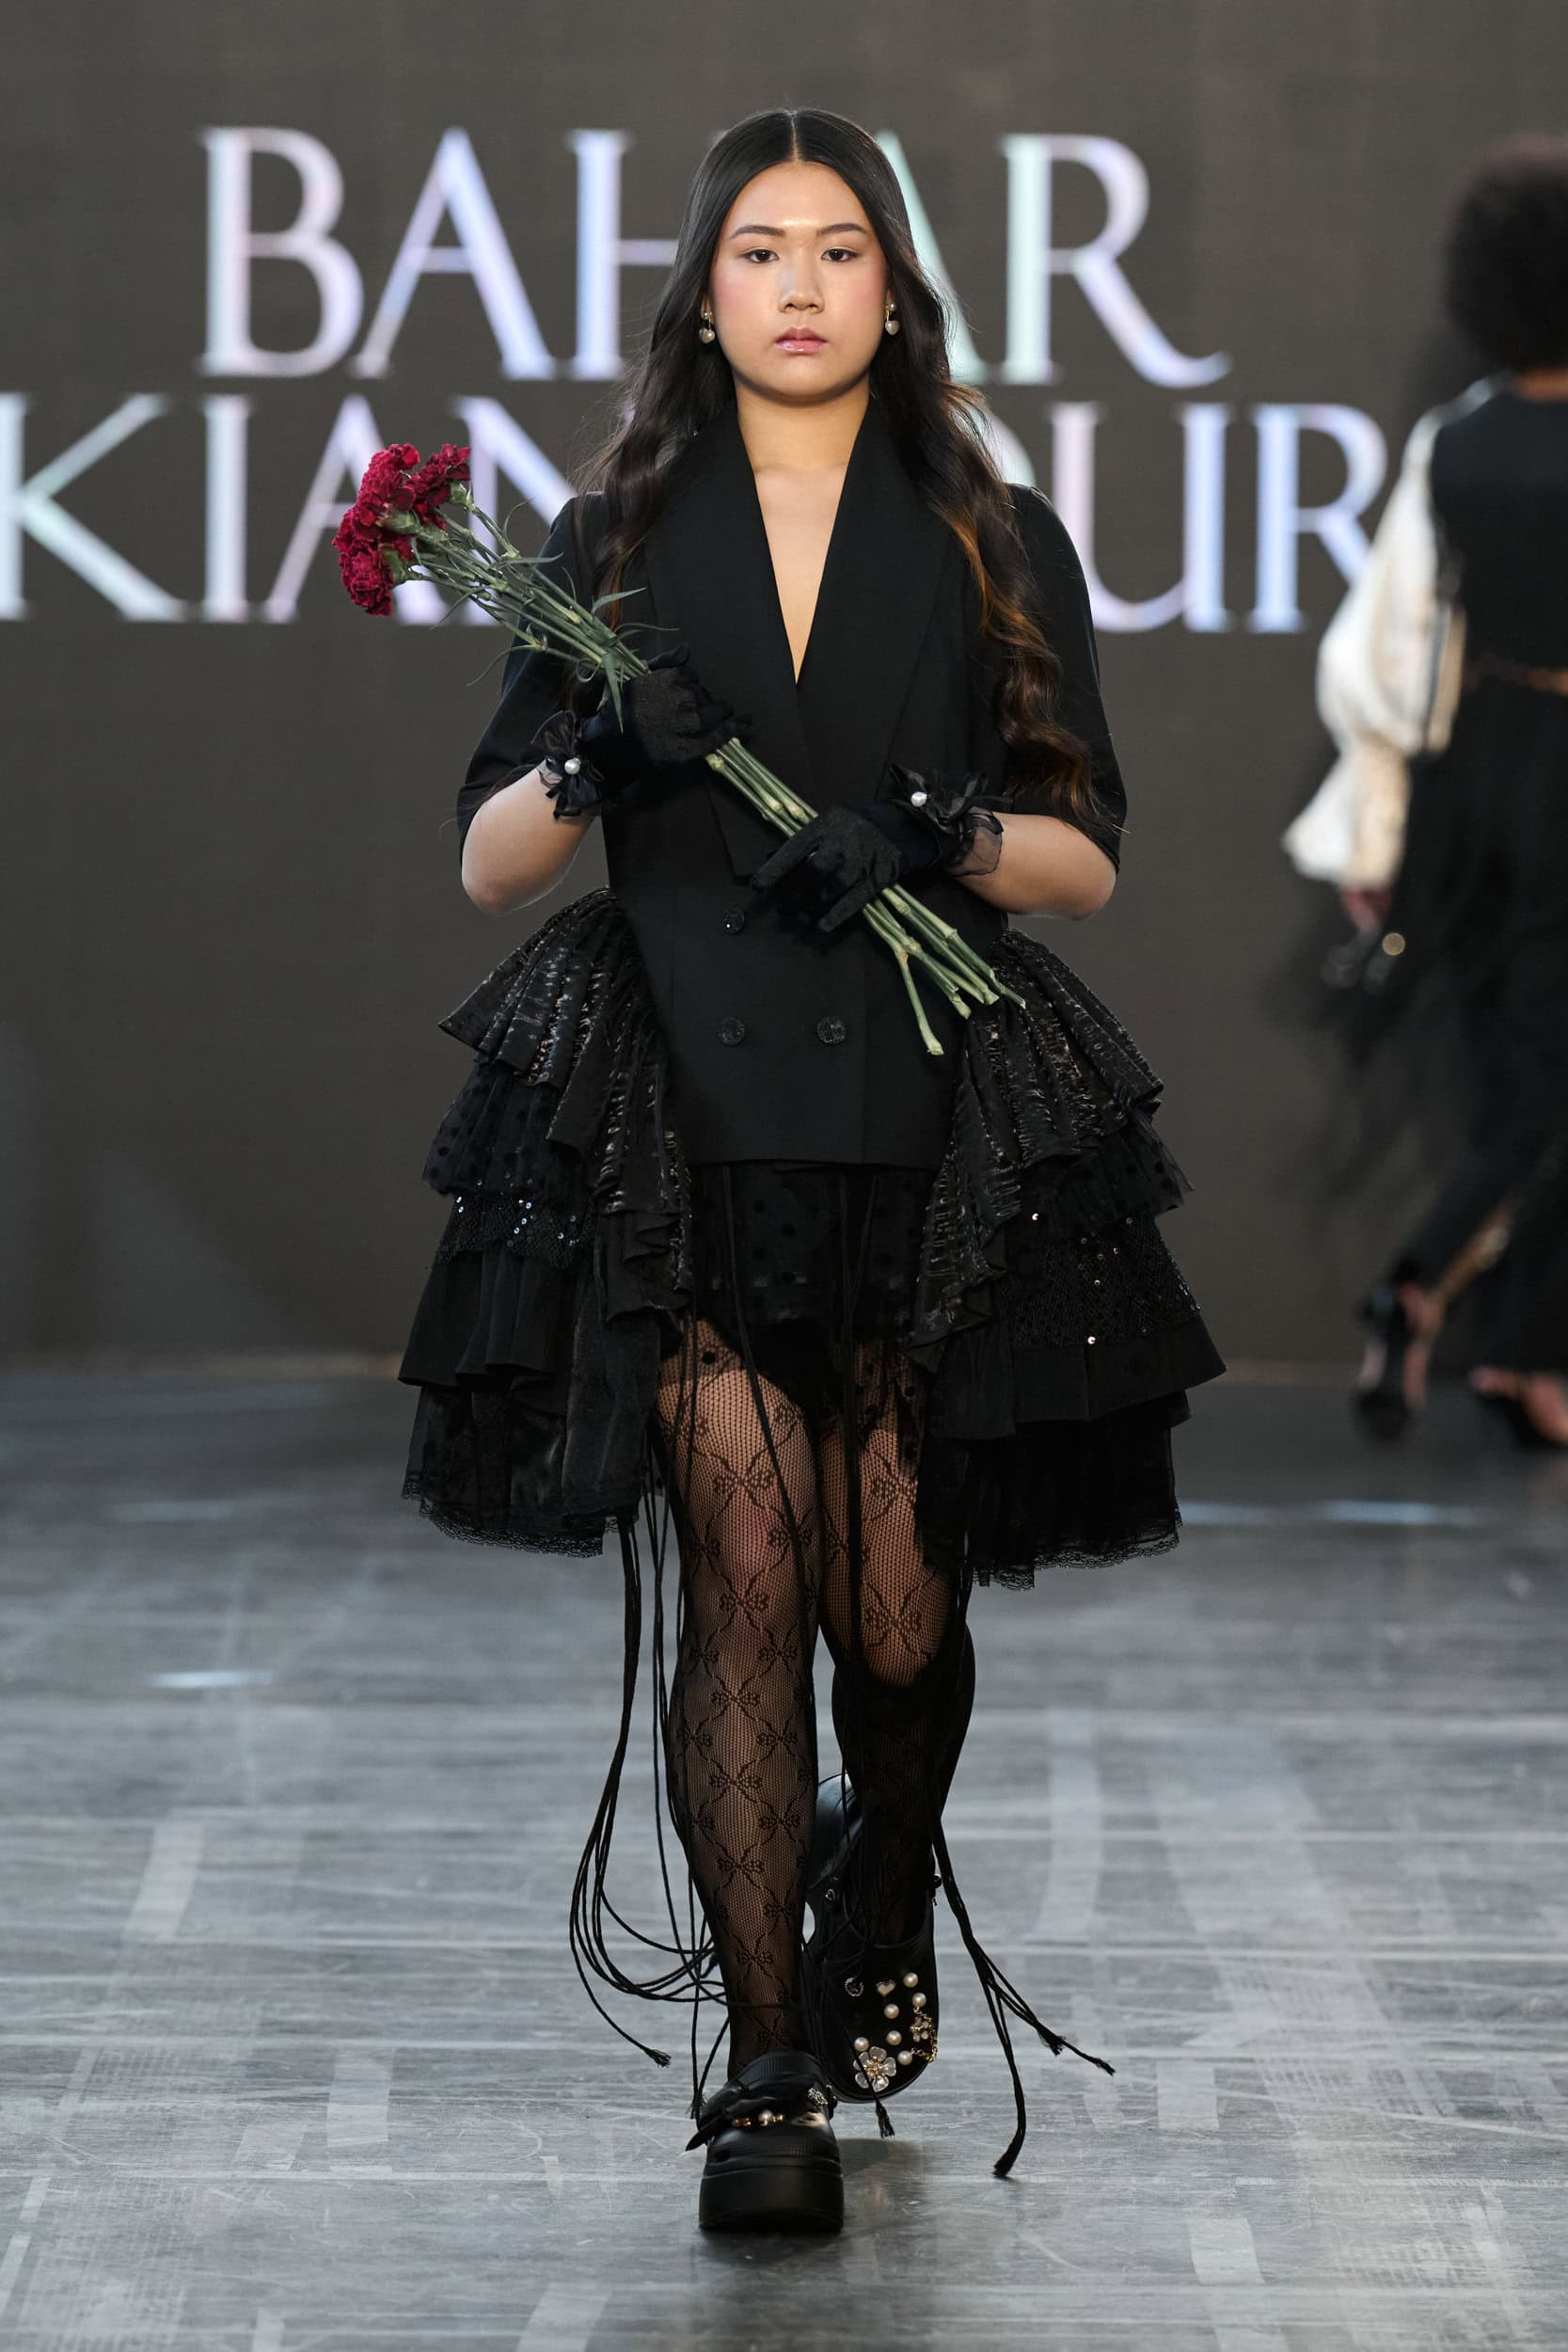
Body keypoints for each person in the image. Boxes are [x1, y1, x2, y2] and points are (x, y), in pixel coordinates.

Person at [397, 105, 1224, 2233]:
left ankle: (880, 1865)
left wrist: (939, 835)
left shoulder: (988, 533)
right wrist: (601, 756)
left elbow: (1085, 853)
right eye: (759, 249)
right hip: (687, 1116)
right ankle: (766, 2068)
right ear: (702, 294)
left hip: (928, 1128)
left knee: (899, 1611)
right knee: (750, 1576)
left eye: (838, 248)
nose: (796, 285)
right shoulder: (607, 535)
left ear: (895, 288)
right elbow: (488, 851)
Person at [1285, 133, 1568, 1450]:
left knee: (1523, 1072)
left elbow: (1394, 659)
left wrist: (1382, 836)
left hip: (1482, 779)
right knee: (1540, 1090)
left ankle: (1518, 1352)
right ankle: (1432, 1285)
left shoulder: (1458, 442)